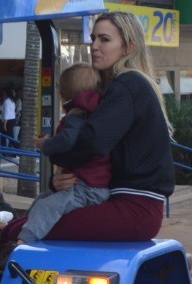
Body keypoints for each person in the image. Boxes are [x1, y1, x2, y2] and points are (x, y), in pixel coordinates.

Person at [40, 12, 174, 242]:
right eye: (93, 38)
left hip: (135, 207)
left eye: (104, 39)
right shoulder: (120, 87)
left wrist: (54, 152)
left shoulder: (129, 84)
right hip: (121, 201)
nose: (94, 46)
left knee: (27, 227)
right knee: (34, 219)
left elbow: (92, 141)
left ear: (128, 48)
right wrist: (58, 181)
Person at [18, 63, 111, 242]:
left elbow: (67, 139)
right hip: (90, 186)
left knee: (46, 206)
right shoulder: (95, 114)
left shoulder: (76, 115)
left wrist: (46, 144)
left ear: (64, 96)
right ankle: (21, 229)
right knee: (41, 199)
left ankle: (22, 244)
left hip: (88, 189)